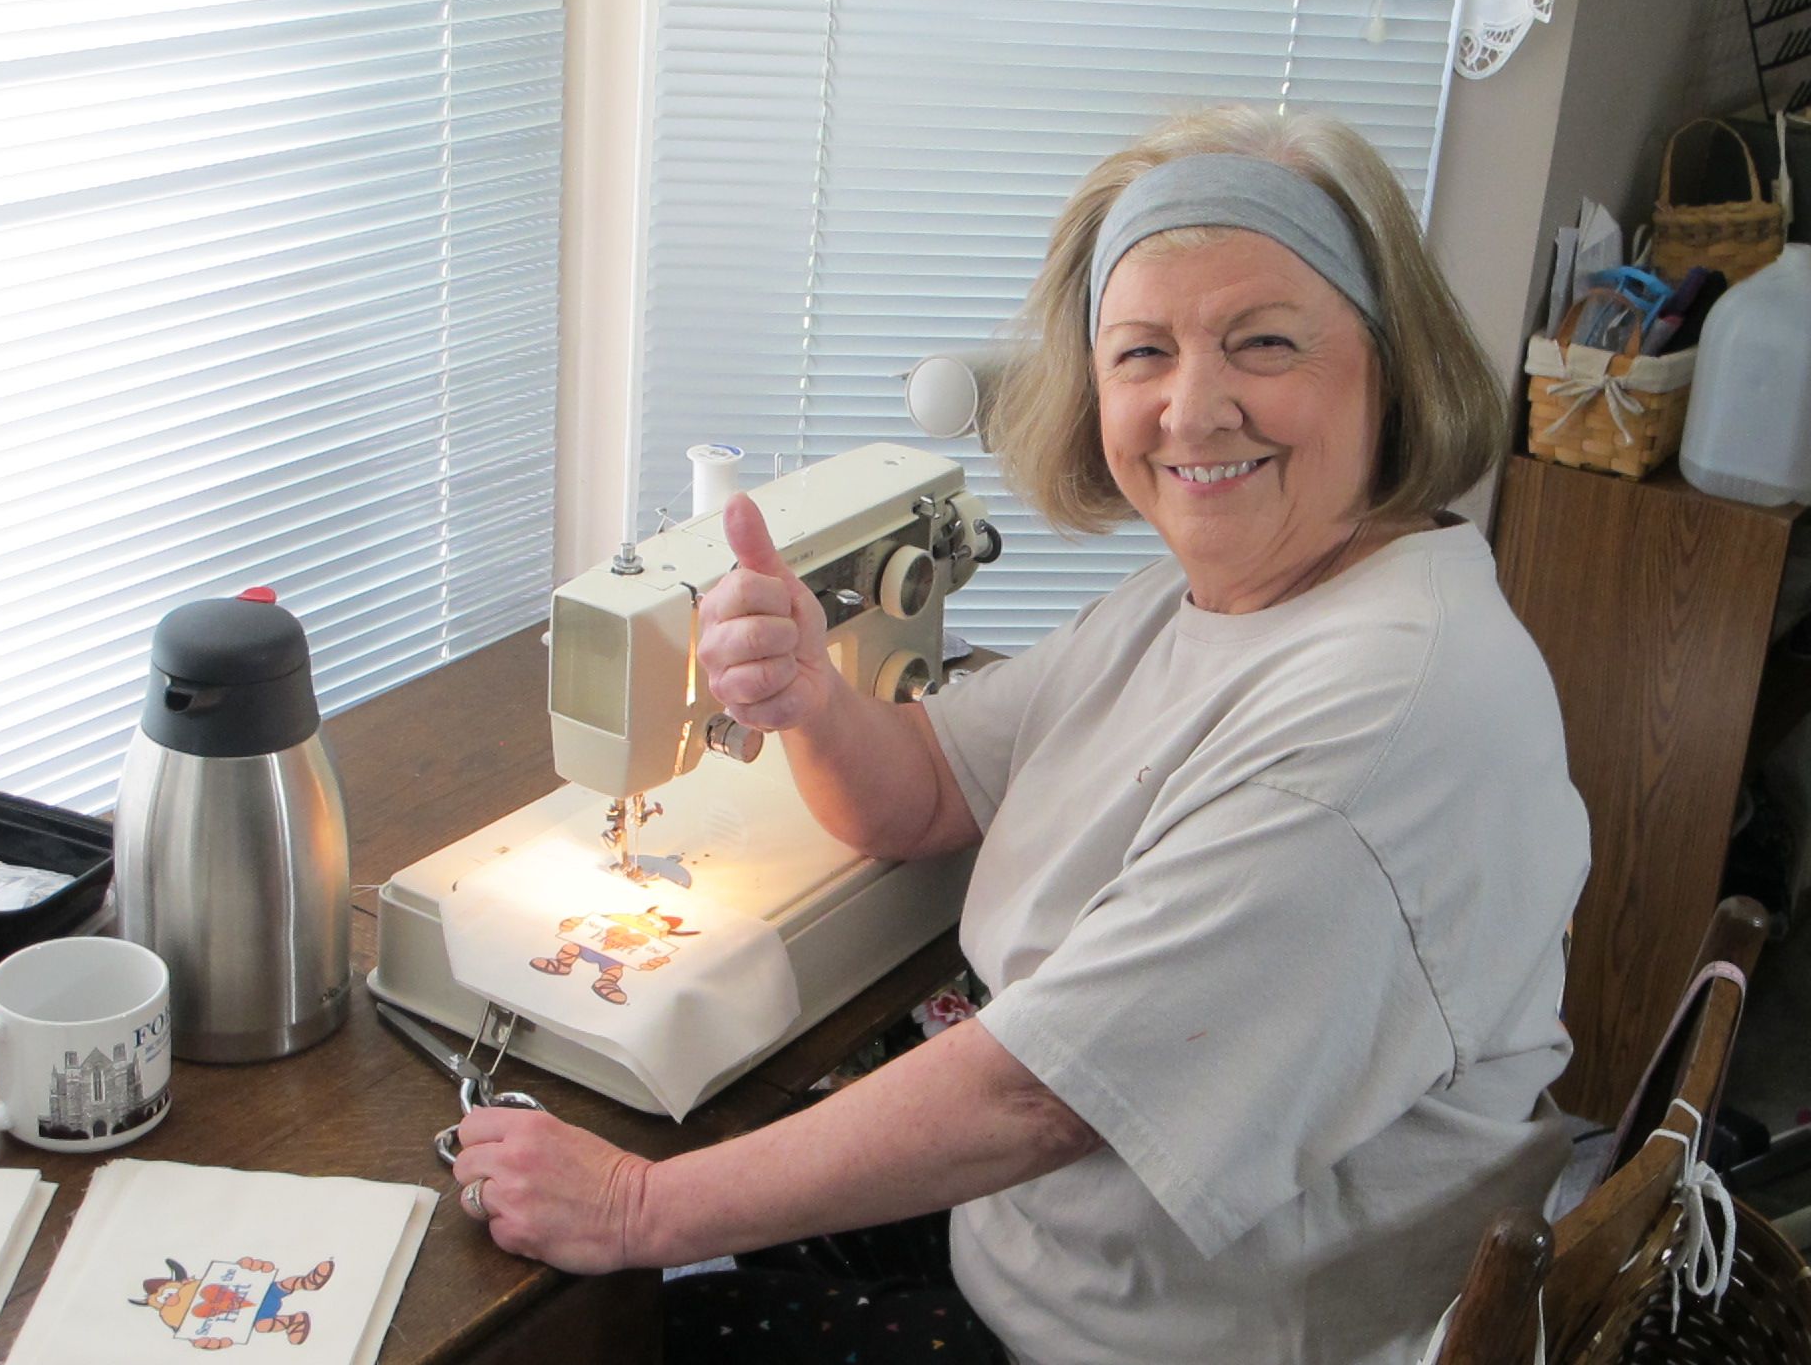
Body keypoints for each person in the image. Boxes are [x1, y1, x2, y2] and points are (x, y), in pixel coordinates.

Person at [449, 103, 1590, 1364]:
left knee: (599, 1338)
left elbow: (1040, 1097)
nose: (1193, 409)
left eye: (1263, 341)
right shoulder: (1206, 593)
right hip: (1050, 1242)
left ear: (1387, 361)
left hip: (1158, 1336)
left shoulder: (1380, 714)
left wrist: (633, 1206)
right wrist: (810, 698)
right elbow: (927, 788)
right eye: (1142, 352)